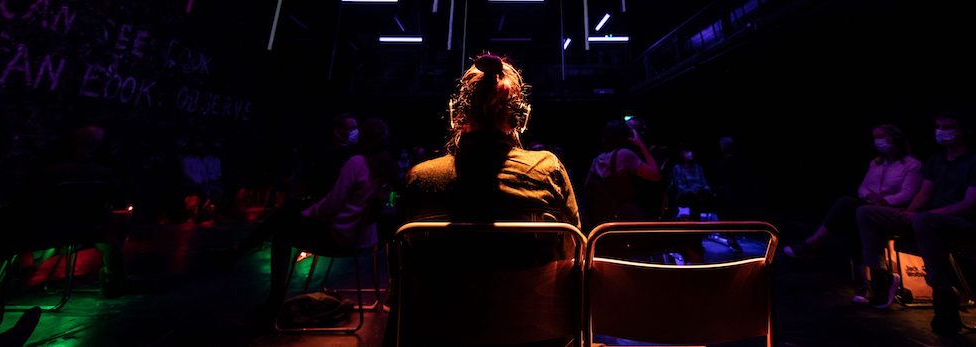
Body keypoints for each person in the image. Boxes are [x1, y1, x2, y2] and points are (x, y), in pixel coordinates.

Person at [235, 117, 395, 326]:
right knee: (286, 216)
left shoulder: (357, 163)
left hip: (341, 237)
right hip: (364, 239)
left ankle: (273, 301)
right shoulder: (385, 166)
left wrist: (309, 213)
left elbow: (333, 204)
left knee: (282, 229)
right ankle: (238, 252)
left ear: (363, 137)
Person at [403, 54, 579, 226]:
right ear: (520, 118)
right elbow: (574, 241)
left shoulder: (419, 179)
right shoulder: (548, 170)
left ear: (456, 115)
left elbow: (400, 243)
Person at [856, 112, 976, 336]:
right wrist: (909, 213)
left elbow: (970, 204)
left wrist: (924, 215)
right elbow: (924, 193)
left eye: (948, 126)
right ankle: (879, 279)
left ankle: (944, 298)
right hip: (928, 219)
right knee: (866, 212)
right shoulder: (936, 160)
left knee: (924, 221)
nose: (941, 131)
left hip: (963, 223)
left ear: (963, 130)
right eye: (938, 126)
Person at [783, 124, 922, 303]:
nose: (877, 141)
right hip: (868, 208)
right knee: (853, 217)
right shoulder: (875, 163)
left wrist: (885, 201)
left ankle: (814, 243)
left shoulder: (912, 165)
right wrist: (869, 196)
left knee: (847, 205)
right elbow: (863, 187)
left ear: (895, 138)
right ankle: (869, 284)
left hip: (893, 210)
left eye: (881, 136)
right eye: (875, 137)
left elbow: (908, 193)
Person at [584, 119, 660, 229]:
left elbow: (587, 188)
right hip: (625, 217)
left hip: (603, 218)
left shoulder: (597, 159)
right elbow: (655, 175)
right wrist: (641, 144)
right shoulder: (625, 155)